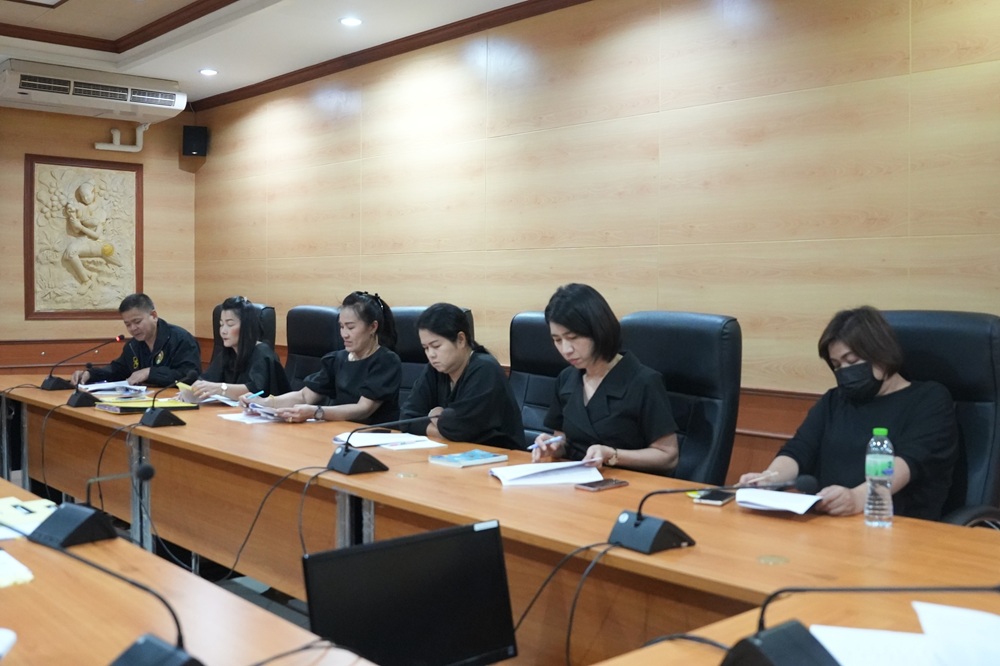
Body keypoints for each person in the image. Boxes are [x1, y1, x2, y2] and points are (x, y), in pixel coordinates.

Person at [739, 306, 957, 520]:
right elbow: (798, 450)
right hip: (829, 519)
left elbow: (911, 461)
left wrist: (857, 497)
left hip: (894, 523)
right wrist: (769, 479)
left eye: (852, 361)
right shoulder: (833, 400)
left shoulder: (929, 399)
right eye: (837, 365)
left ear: (881, 353)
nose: (845, 371)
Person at [531, 283, 679, 474]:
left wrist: (612, 455)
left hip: (627, 481)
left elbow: (668, 456)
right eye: (557, 340)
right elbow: (565, 441)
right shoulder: (566, 379)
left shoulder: (644, 381)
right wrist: (553, 446)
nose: (566, 349)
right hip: (575, 480)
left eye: (573, 337)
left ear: (597, 330)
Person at [241, 291, 401, 424]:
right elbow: (304, 396)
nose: (344, 334)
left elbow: (363, 409)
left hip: (373, 436)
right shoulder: (337, 359)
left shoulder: (386, 361)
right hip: (339, 431)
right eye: (341, 326)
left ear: (373, 327)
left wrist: (316, 412)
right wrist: (264, 402)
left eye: (351, 327)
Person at [399, 303, 524, 449]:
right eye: (426, 348)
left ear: (461, 339)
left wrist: (436, 416)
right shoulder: (435, 369)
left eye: (436, 346)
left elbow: (460, 428)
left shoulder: (485, 369)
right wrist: (442, 427)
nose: (431, 354)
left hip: (501, 456)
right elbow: (407, 418)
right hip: (456, 453)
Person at [71, 293, 201, 387]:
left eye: (137, 322)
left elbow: (190, 376)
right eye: (128, 324)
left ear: (153, 316)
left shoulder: (181, 339)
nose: (133, 328)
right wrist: (91, 374)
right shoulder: (133, 346)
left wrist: (150, 373)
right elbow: (117, 370)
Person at [191, 296, 289, 401]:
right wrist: (193, 389)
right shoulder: (228, 352)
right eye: (221, 324)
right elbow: (207, 379)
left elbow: (255, 391)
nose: (223, 331)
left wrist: (221, 389)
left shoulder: (263, 354)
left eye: (230, 324)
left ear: (246, 327)